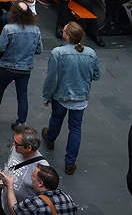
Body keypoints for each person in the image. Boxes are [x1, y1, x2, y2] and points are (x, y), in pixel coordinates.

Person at [41, 22, 100, 175]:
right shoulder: (91, 53)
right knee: (75, 129)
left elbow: (51, 78)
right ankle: (70, 163)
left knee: (56, 119)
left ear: (67, 35)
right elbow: (96, 75)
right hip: (81, 98)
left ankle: (50, 139)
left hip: (61, 96)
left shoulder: (57, 53)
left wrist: (47, 96)